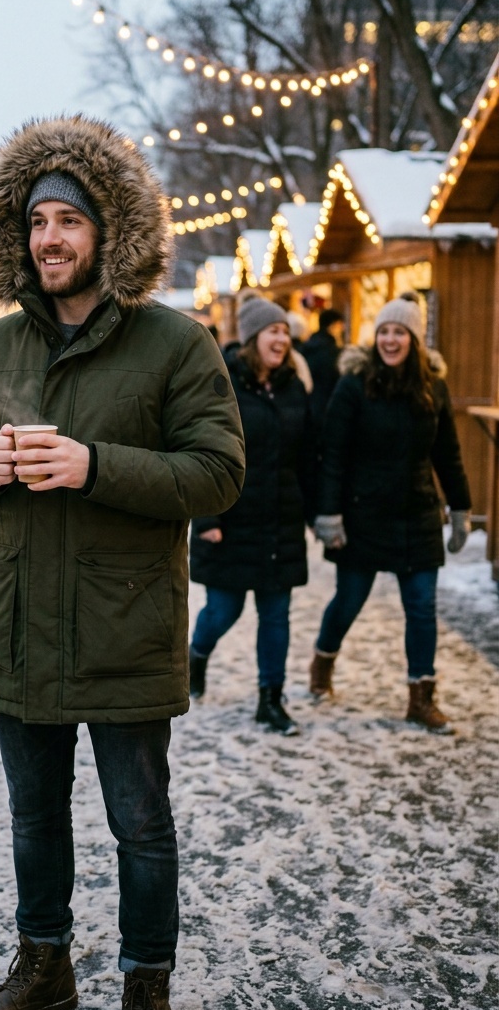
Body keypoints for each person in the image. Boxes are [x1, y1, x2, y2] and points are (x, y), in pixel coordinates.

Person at [0, 115, 245, 1010]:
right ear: (15, 238)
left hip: (125, 623)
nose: (51, 238)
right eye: (36, 222)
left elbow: (219, 474)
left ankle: (146, 983)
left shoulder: (174, 343)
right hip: (21, 619)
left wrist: (95, 464)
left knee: (140, 827)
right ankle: (44, 968)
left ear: (108, 230)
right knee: (36, 821)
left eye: (69, 219)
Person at [310, 296, 471, 732]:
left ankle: (421, 697)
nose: (390, 339)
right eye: (384, 331)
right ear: (375, 336)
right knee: (349, 600)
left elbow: (448, 455)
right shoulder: (354, 384)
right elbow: (334, 454)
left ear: (414, 339)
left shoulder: (432, 387)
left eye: (400, 332)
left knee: (421, 607)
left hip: (417, 514)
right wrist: (329, 515)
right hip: (364, 515)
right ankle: (322, 662)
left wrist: (460, 508)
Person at [189, 297, 316, 735]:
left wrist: (320, 513)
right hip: (231, 515)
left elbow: (307, 457)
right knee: (223, 610)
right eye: (272, 331)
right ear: (251, 337)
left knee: (276, 614)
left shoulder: (294, 386)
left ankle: (270, 699)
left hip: (280, 518)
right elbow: (200, 450)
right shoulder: (221, 383)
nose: (281, 338)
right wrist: (206, 519)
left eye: (285, 331)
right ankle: (196, 656)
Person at [301, 308, 345, 431]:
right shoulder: (331, 351)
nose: (342, 329)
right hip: (326, 406)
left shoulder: (307, 346)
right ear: (331, 325)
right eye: (339, 325)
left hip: (307, 406)